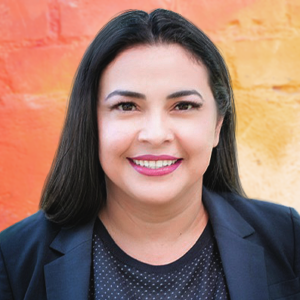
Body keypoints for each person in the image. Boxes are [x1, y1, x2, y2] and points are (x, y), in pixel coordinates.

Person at [0, 9, 299, 300]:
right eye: (127, 106)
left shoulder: (288, 240)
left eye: (183, 106)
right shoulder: (14, 259)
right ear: (91, 122)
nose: (155, 135)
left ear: (218, 124)